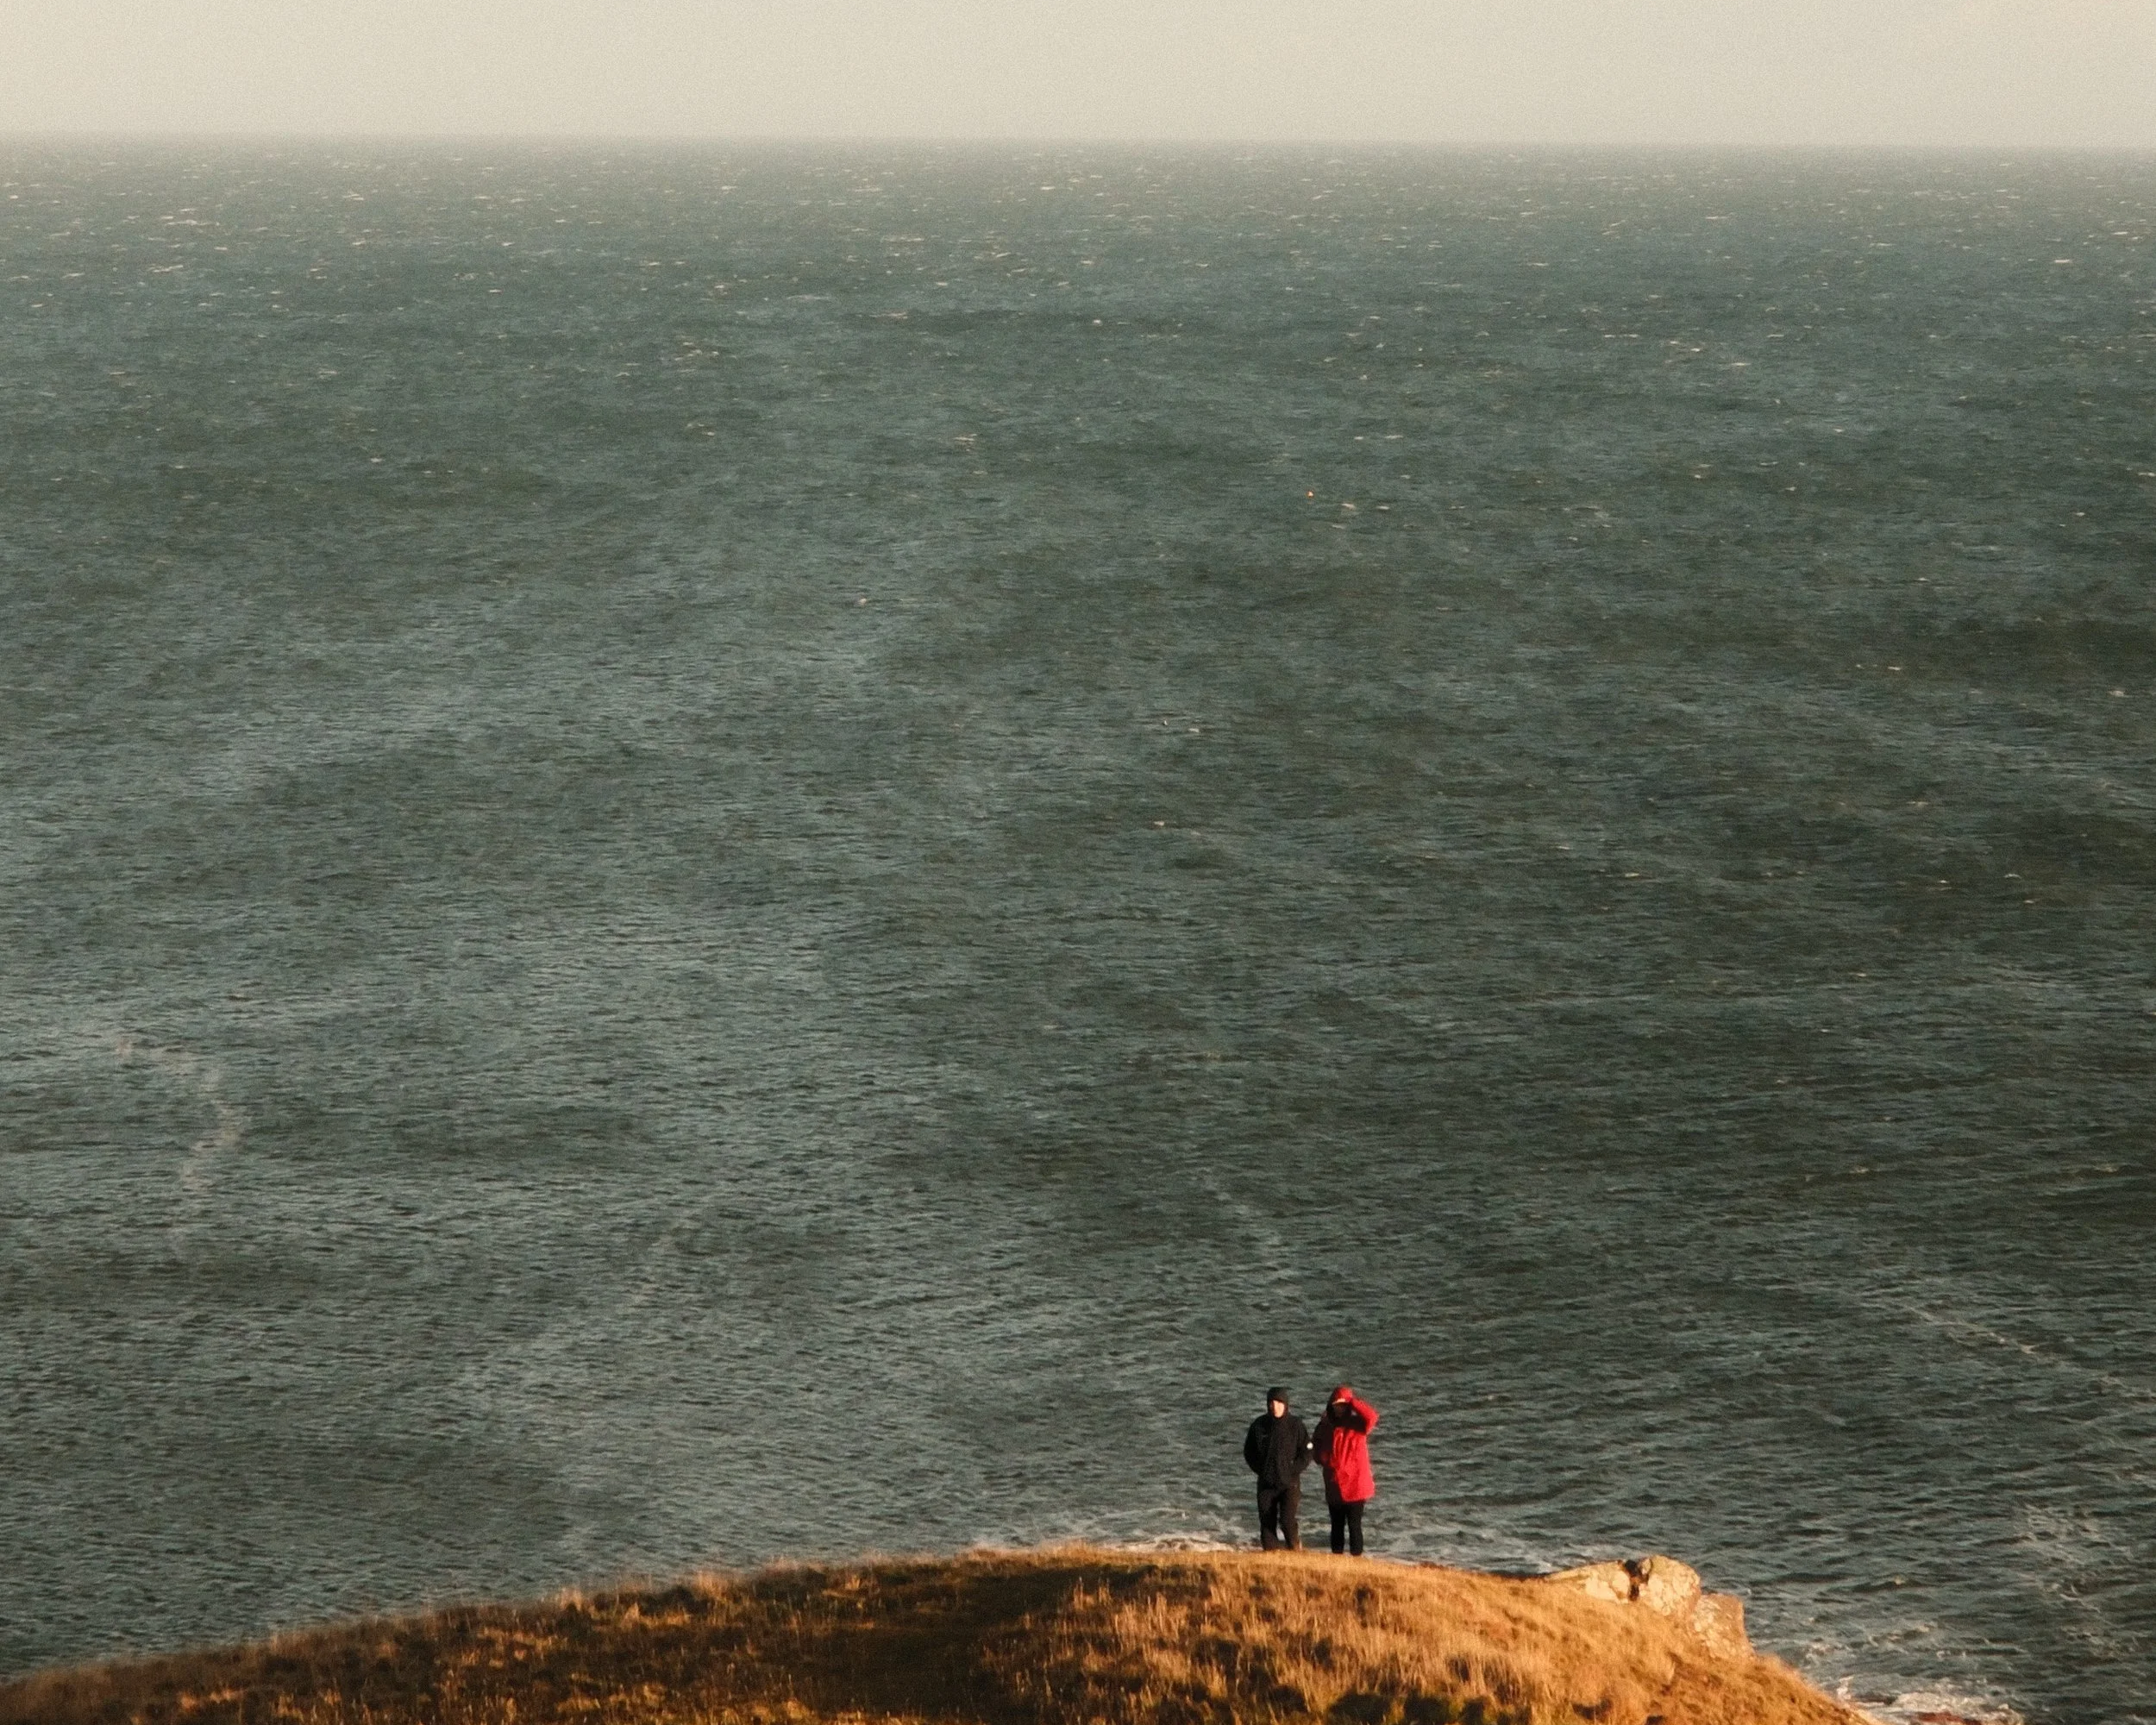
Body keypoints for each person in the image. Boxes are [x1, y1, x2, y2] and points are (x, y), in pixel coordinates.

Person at [1312, 1384, 1379, 1556]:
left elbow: (1372, 1417)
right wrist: (1324, 1459)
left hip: (1356, 1485)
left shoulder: (1358, 1424)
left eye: (1343, 1405)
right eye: (1337, 1405)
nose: (1339, 1409)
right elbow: (1315, 1447)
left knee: (1354, 1525)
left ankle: (1356, 1560)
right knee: (1336, 1525)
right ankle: (1337, 1559)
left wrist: (1352, 1401)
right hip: (1334, 1484)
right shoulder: (1325, 1426)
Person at [1242, 1385, 1312, 1550]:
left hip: (1290, 1483)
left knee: (1287, 1520)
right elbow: (1248, 1452)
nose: (1275, 1407)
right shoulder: (1259, 1425)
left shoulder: (1296, 1425)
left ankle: (1295, 1547)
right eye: (1272, 1403)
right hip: (1266, 1483)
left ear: (1286, 1405)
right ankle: (1271, 1553)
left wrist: (1293, 1470)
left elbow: (1307, 1452)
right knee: (1267, 1522)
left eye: (1279, 1403)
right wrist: (1262, 1470)